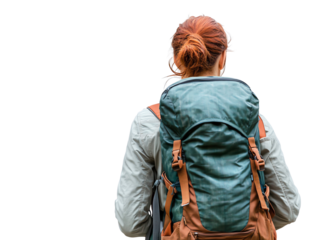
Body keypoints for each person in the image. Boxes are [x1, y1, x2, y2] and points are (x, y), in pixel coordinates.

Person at [114, 11, 301, 240]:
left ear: (176, 59)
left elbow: (131, 225)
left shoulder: (149, 120)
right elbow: (288, 210)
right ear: (224, 57)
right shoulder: (256, 121)